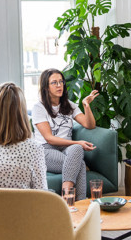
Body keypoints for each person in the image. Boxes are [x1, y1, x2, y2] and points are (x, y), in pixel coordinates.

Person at [32, 68, 99, 200]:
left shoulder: (69, 105)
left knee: (77, 149)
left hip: (66, 149)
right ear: (46, 87)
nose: (59, 85)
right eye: (54, 83)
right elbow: (49, 138)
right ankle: (76, 200)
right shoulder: (38, 108)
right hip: (45, 150)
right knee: (78, 163)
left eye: (61, 82)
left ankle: (68, 199)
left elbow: (89, 124)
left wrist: (86, 105)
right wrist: (77, 142)